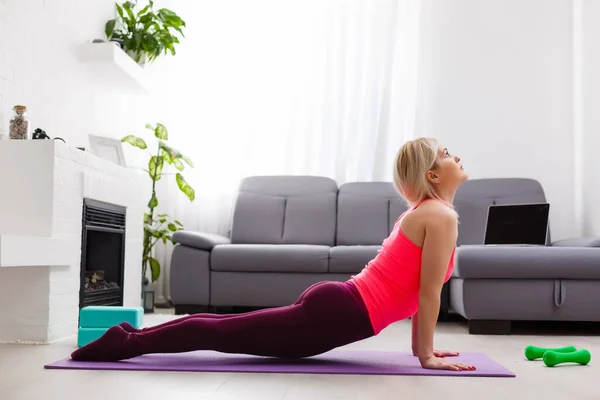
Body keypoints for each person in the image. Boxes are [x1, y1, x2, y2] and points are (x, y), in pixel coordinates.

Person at [71, 137, 475, 372]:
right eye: (444, 153)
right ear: (432, 176)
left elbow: (420, 292)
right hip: (341, 313)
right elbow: (427, 294)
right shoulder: (439, 217)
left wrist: (422, 351)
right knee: (220, 332)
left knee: (222, 327)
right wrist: (424, 356)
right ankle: (123, 343)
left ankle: (127, 338)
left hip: (340, 307)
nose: (454, 155)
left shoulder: (430, 214)